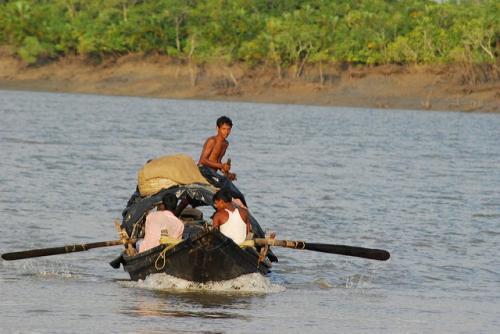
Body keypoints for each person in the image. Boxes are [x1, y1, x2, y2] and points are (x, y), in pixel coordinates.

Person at [198, 116, 247, 206]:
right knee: (224, 184)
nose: (226, 132)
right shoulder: (212, 141)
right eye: (223, 129)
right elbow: (203, 160)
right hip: (203, 170)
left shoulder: (225, 143)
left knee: (230, 185)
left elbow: (218, 161)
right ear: (217, 128)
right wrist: (221, 166)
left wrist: (227, 172)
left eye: (229, 129)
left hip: (212, 173)